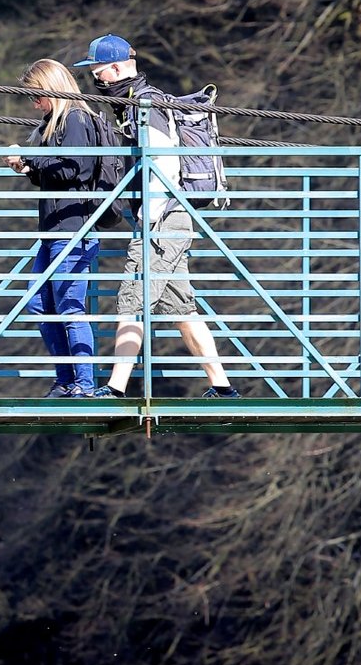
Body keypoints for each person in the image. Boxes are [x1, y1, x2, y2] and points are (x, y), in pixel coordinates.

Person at [72, 33, 240, 399]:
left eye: (97, 70)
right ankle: (222, 387)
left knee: (132, 300)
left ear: (115, 68)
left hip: (161, 220)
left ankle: (116, 388)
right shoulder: (136, 104)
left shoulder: (144, 105)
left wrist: (148, 220)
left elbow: (164, 162)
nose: (95, 78)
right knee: (183, 307)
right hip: (171, 218)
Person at [5, 58, 119, 398]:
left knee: (69, 306)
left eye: (36, 96)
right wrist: (27, 168)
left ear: (50, 88)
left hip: (75, 227)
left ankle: (81, 383)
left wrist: (29, 158)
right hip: (53, 229)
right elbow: (53, 174)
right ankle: (67, 379)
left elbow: (76, 169)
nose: (34, 104)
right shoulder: (51, 125)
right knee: (40, 304)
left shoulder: (76, 119)